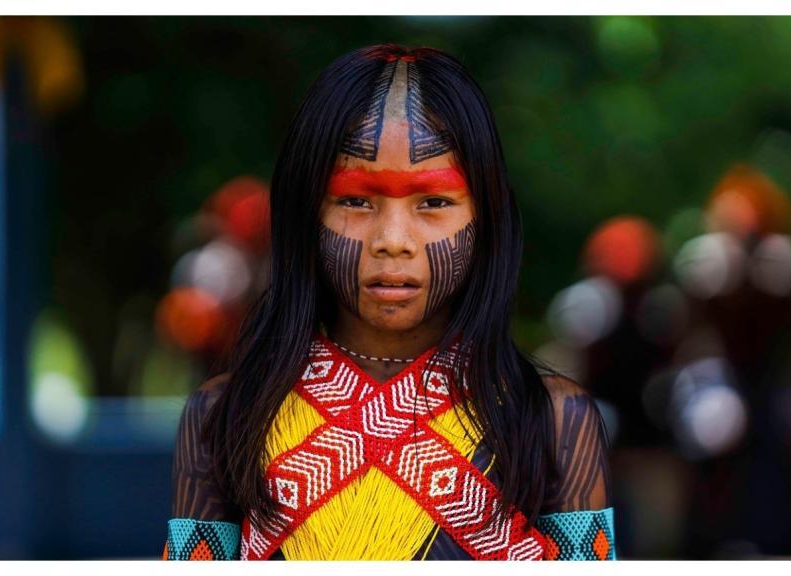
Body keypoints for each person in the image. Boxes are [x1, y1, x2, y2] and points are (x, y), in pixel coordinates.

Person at [162, 43, 615, 561]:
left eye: (434, 202)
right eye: (355, 200)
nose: (392, 238)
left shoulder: (553, 419)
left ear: (486, 218)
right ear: (304, 212)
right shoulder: (227, 417)